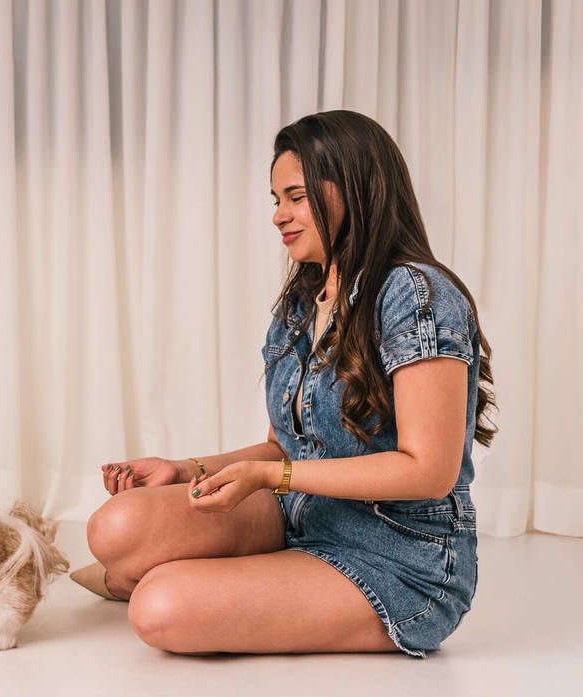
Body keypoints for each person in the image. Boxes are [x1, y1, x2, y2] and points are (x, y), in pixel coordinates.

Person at [73, 110, 496, 657]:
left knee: (159, 607)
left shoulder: (415, 294)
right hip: (298, 515)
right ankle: (178, 574)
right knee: (115, 527)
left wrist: (272, 475)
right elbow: (283, 448)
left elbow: (429, 472)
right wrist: (184, 470)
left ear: (357, 188)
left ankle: (166, 581)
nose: (279, 216)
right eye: (276, 200)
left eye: (295, 197)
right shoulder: (302, 303)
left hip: (398, 555)